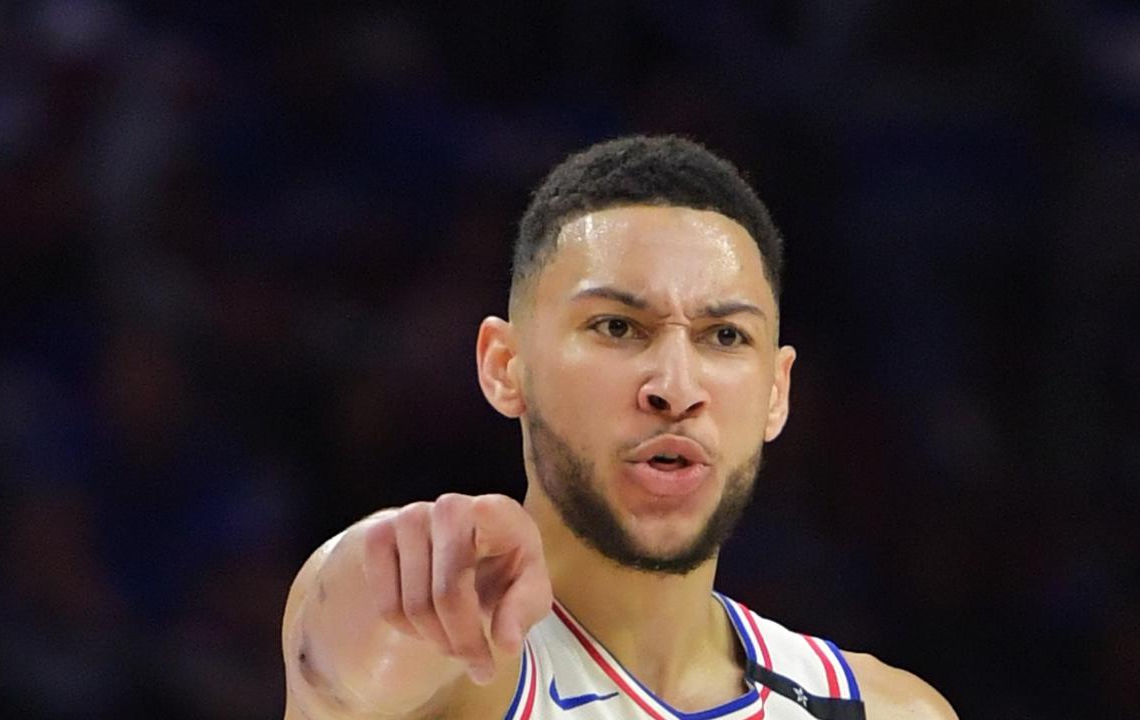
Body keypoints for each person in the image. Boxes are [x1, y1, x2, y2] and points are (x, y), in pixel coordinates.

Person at [281, 135, 958, 720]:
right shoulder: (458, 673)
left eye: (724, 335)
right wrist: (402, 569)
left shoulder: (887, 709)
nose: (675, 389)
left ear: (777, 392)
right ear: (504, 366)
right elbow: (341, 655)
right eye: (616, 327)